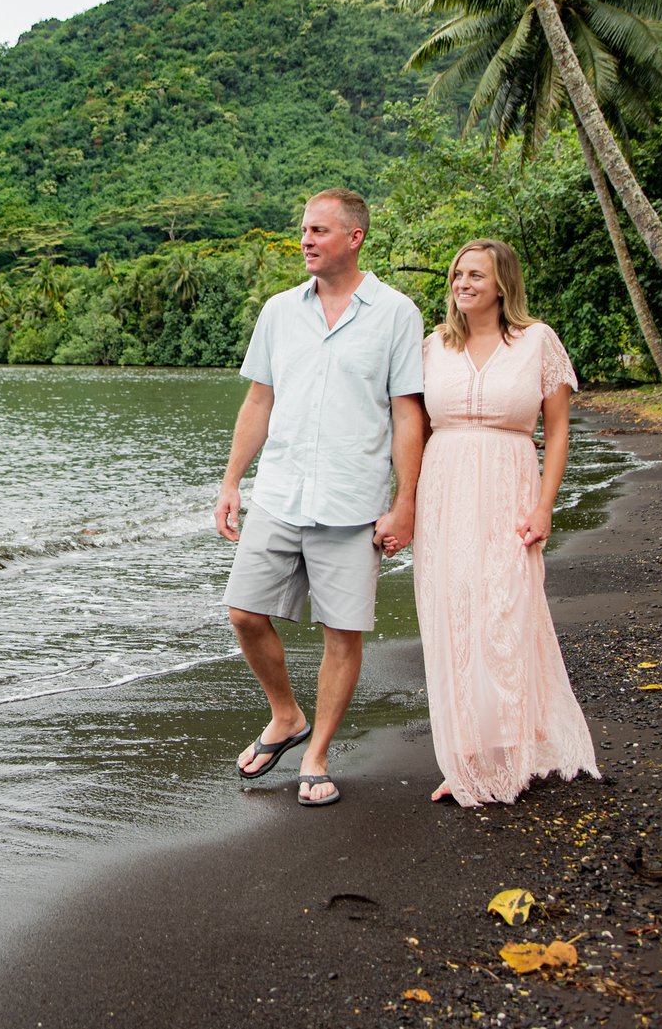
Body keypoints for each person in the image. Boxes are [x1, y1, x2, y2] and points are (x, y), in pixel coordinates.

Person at [214, 189, 426, 807]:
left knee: (344, 630)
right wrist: (231, 482)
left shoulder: (395, 314)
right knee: (244, 613)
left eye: (318, 230)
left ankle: (317, 753)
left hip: (354, 498)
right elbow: (259, 401)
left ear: (354, 238)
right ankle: (287, 716)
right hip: (279, 491)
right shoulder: (280, 311)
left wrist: (404, 501)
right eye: (303, 229)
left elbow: (406, 413)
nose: (305, 240)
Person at [413, 238, 600, 806]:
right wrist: (401, 501)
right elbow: (413, 431)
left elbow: (559, 430)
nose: (462, 283)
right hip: (442, 492)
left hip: (509, 488)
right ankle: (464, 756)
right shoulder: (431, 347)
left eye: (475, 275)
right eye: (457, 274)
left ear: (502, 285)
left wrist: (544, 504)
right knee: (453, 617)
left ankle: (515, 749)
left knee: (506, 611)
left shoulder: (537, 341)